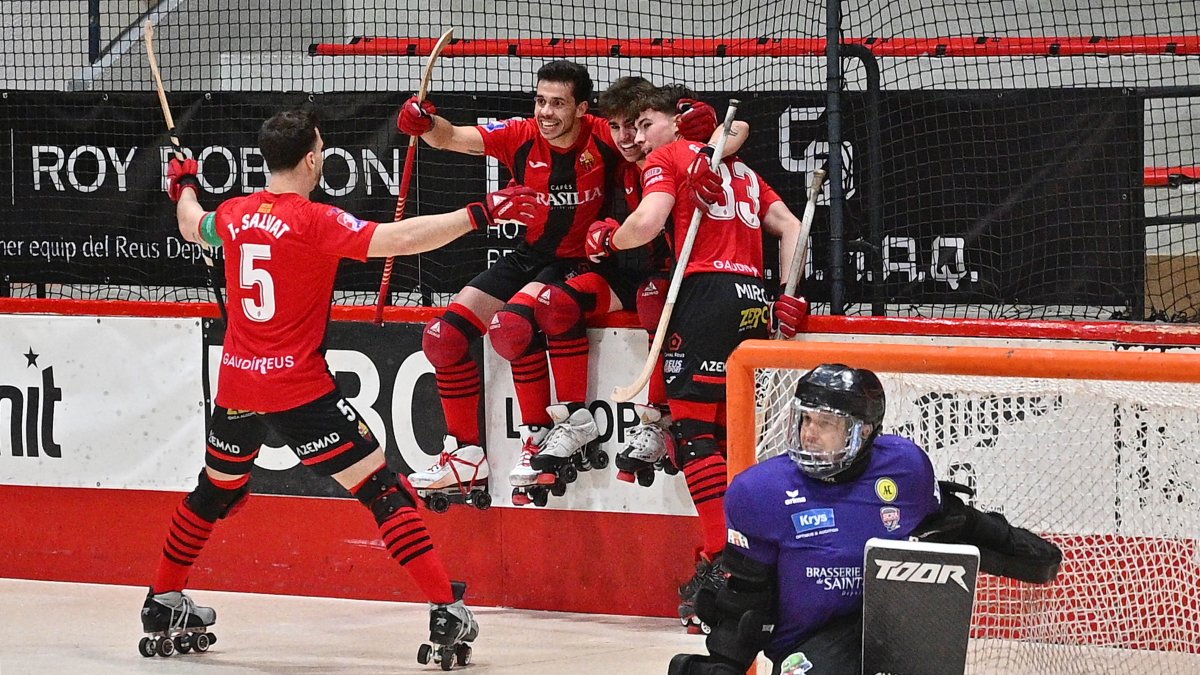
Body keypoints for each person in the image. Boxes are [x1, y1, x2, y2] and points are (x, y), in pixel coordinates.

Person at [138, 108, 537, 664]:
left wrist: (182, 183)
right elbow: (398, 238)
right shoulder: (315, 220)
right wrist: (479, 212)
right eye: (321, 147)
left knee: (216, 490)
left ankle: (162, 599)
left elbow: (191, 222)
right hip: (299, 391)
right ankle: (446, 610)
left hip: (236, 388)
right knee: (381, 490)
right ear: (310, 158)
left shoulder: (231, 214)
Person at [667, 364, 1064, 675]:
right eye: (806, 420)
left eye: (826, 424)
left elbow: (954, 522)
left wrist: (1018, 550)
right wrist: (724, 665)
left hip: (897, 634)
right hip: (808, 644)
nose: (809, 434)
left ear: (864, 431)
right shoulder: (760, 492)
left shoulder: (905, 469)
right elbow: (746, 598)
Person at [585, 84, 808, 631]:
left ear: (675, 121)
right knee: (730, 436)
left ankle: (724, 566)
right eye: (631, 129)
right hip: (754, 300)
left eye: (646, 124)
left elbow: (648, 223)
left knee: (692, 434)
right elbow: (793, 228)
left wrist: (608, 238)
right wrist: (789, 292)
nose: (638, 136)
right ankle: (751, 560)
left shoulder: (673, 155)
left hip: (705, 296)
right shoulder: (746, 173)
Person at [397, 60, 627, 506]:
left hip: (586, 261)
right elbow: (450, 137)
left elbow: (659, 138)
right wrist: (422, 122)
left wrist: (701, 119)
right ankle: (465, 456)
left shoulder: (603, 134)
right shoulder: (521, 135)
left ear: (582, 108)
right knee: (443, 337)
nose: (546, 112)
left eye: (558, 103)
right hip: (530, 255)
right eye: (540, 101)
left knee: (512, 326)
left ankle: (540, 437)